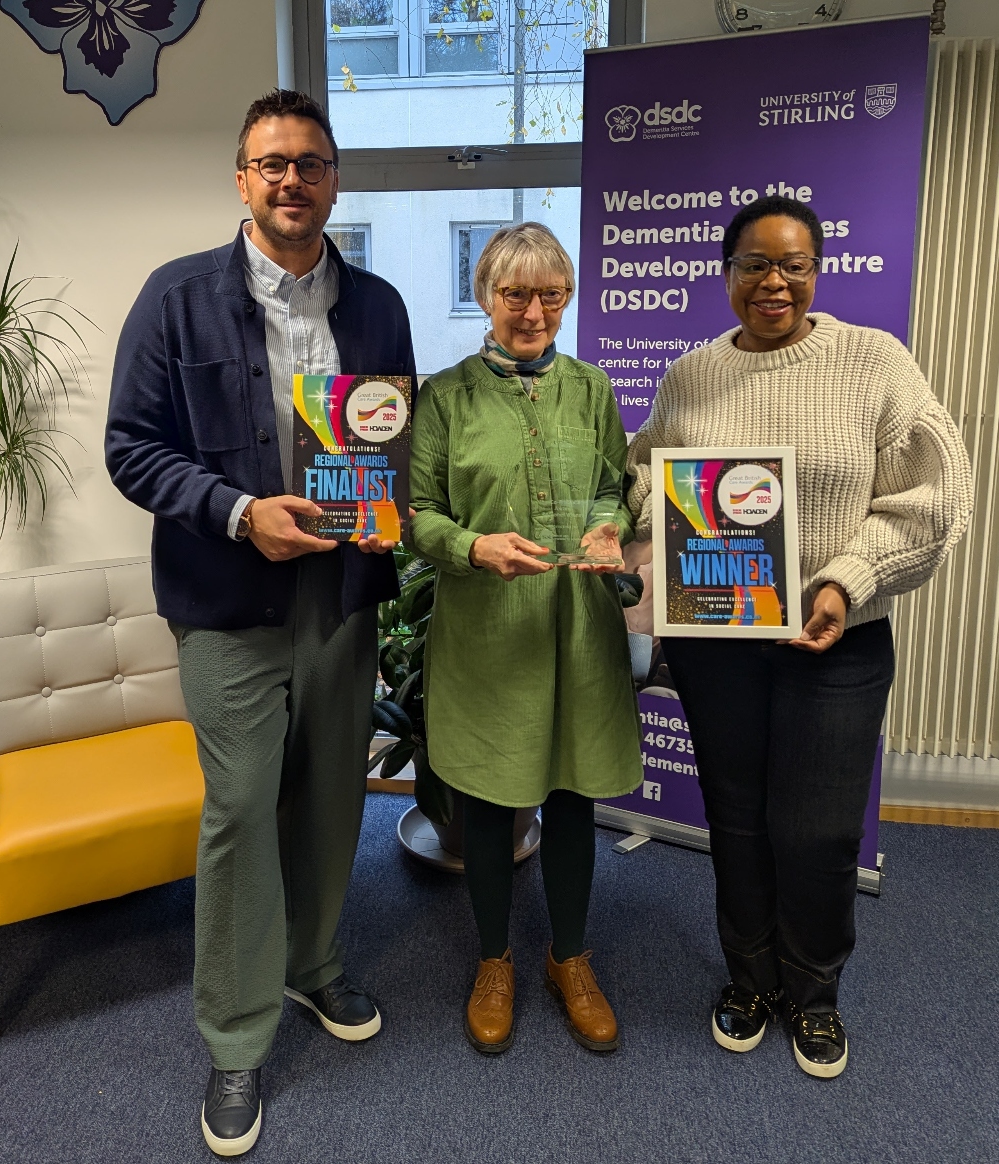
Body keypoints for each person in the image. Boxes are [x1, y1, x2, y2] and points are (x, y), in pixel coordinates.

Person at [106, 89, 415, 1156]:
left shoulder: (377, 306)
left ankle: (311, 965)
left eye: (312, 163)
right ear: (242, 179)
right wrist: (241, 513)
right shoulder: (174, 299)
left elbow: (388, 442)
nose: (293, 179)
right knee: (240, 808)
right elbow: (131, 449)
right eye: (272, 162)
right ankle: (235, 1039)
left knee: (332, 798)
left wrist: (390, 515)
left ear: (335, 180)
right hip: (227, 602)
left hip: (340, 599)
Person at [626, 196, 972, 1079]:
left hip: (836, 642)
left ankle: (812, 992)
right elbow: (644, 472)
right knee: (736, 820)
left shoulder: (873, 363)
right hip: (717, 641)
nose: (771, 282)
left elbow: (935, 495)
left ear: (817, 271)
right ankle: (748, 980)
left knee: (817, 833)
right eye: (752, 264)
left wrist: (843, 579)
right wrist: (633, 522)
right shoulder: (691, 374)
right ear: (727, 272)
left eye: (791, 265)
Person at [408, 222, 642, 1056]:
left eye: (549, 294)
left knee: (575, 791)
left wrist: (613, 526)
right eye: (515, 294)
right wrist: (472, 546)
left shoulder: (593, 389)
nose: (532, 311)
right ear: (485, 298)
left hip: (579, 629)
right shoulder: (443, 395)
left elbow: (618, 488)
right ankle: (494, 960)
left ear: (567, 298)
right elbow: (417, 514)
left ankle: (568, 958)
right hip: (485, 630)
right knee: (491, 795)